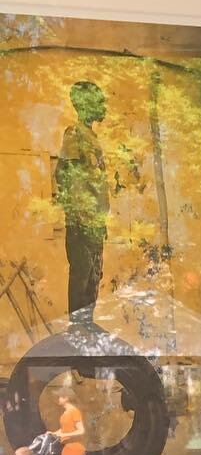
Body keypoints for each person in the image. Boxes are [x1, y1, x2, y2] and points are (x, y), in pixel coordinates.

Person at [53, 79, 109, 317]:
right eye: (98, 100)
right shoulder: (75, 134)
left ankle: (88, 329)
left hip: (95, 222)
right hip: (82, 222)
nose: (103, 105)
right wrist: (81, 216)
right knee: (82, 275)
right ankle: (79, 331)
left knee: (94, 276)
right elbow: (67, 176)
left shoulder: (92, 137)